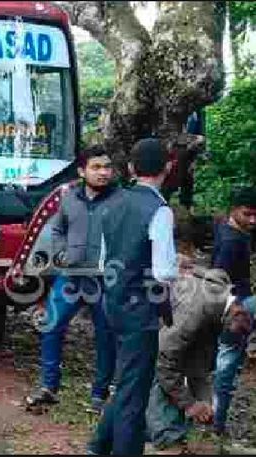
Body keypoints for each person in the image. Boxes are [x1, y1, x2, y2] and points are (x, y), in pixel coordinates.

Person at [88, 137, 178, 455]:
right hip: (140, 309)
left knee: (126, 380)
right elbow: (164, 271)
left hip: (111, 303)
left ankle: (99, 445)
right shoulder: (160, 210)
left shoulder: (112, 203)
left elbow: (102, 262)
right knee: (134, 392)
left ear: (129, 168)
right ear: (168, 167)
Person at [24, 145, 119, 415]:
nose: (103, 173)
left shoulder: (120, 200)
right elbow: (57, 228)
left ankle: (99, 396)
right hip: (71, 277)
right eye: (96, 167)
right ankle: (48, 388)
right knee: (51, 326)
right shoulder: (69, 198)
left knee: (105, 336)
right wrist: (62, 250)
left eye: (107, 167)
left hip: (104, 280)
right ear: (82, 171)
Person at [146, 268, 253, 453]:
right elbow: (164, 361)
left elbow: (199, 362)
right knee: (158, 377)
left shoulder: (218, 309)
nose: (239, 337)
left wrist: (203, 401)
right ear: (237, 313)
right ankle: (168, 440)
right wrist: (190, 404)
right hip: (143, 326)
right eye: (241, 331)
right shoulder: (195, 311)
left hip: (165, 337)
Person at [210, 186, 256, 435]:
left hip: (232, 303)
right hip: (233, 307)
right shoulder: (233, 240)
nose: (253, 220)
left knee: (222, 364)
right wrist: (234, 308)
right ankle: (216, 421)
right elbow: (219, 279)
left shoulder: (232, 230)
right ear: (234, 210)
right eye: (248, 214)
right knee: (226, 366)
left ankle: (213, 418)